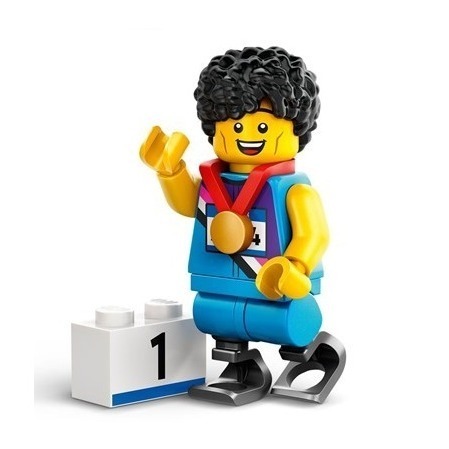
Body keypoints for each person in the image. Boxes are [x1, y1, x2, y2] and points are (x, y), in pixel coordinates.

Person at [140, 47, 345, 405]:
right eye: (235, 125)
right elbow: (190, 205)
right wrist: (170, 172)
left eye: (262, 126)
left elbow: (315, 233)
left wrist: (295, 264)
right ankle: (240, 367)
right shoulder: (214, 183)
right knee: (216, 319)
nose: (247, 135)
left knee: (284, 323)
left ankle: (310, 353)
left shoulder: (293, 190)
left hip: (276, 284)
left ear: (296, 127)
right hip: (219, 283)